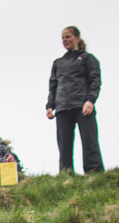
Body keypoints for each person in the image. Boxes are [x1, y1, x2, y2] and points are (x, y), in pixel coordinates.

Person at [46, 25, 104, 174]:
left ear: (77, 38)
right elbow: (53, 86)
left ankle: (94, 171)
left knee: (89, 141)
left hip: (82, 106)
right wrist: (50, 106)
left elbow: (95, 81)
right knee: (64, 145)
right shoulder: (58, 63)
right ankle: (66, 173)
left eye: (68, 37)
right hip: (63, 108)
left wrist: (90, 101)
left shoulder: (87, 59)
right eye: (63, 38)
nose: (65, 40)